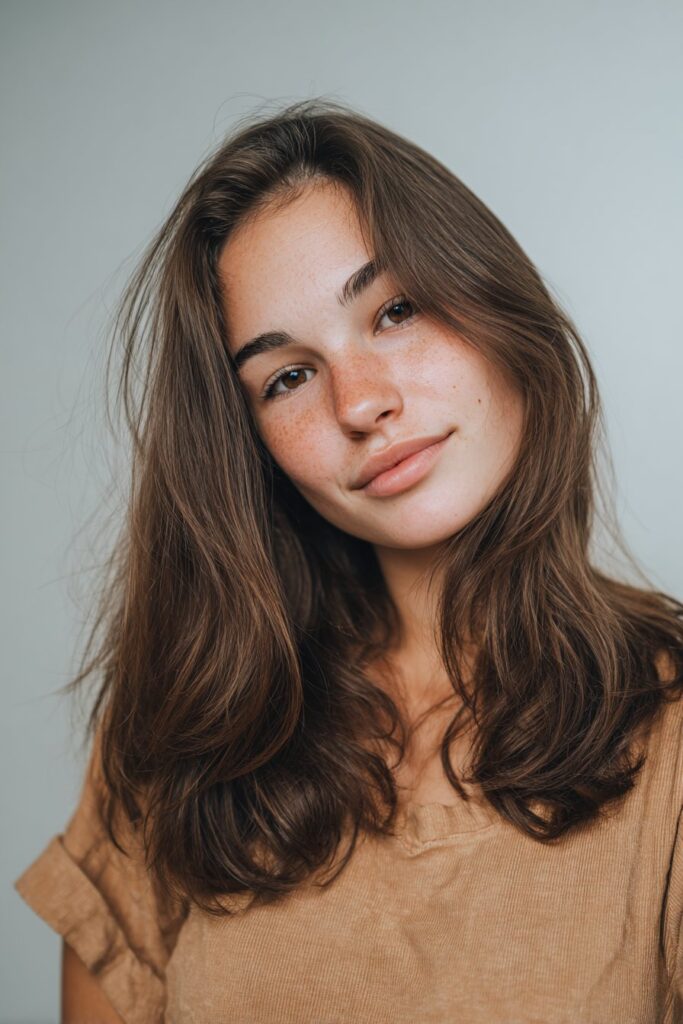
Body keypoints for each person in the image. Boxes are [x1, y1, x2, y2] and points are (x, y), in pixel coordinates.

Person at [14, 97, 683, 1024]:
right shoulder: (183, 733)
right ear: (249, 446)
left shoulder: (670, 733)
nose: (359, 402)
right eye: (286, 376)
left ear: (496, 302)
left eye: (395, 310)